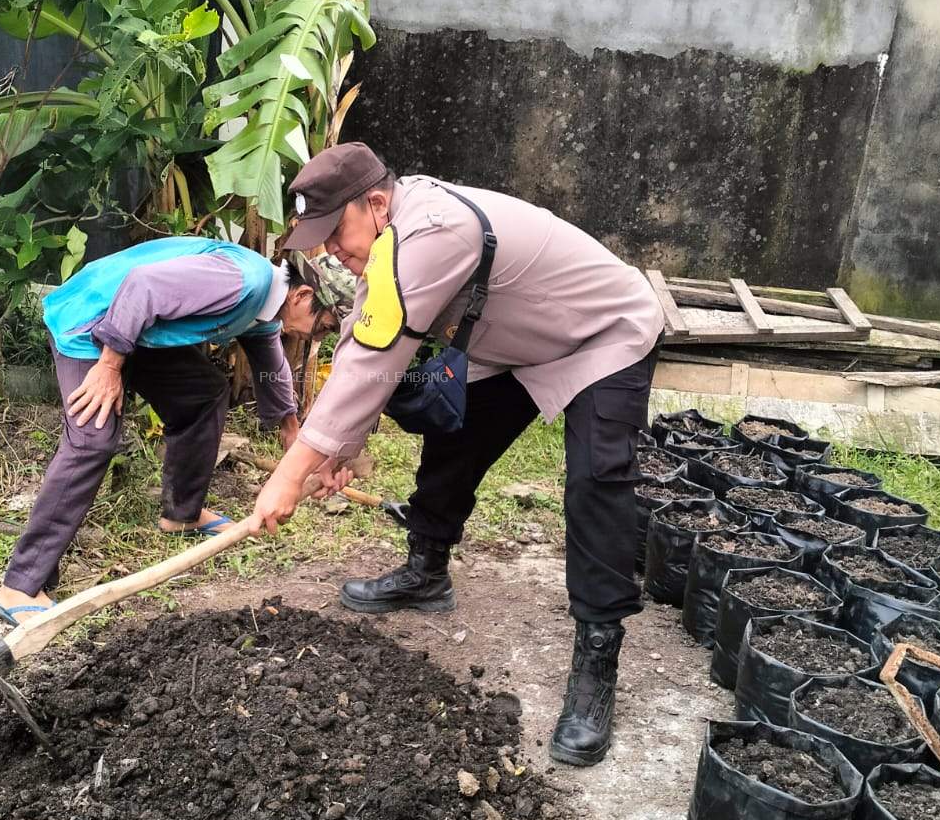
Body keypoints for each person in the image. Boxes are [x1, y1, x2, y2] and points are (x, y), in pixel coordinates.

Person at [251, 143, 664, 769]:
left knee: (596, 480)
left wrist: (288, 475)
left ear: (376, 203)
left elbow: (374, 359)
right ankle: (426, 569)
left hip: (599, 333)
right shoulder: (389, 235)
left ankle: (597, 658)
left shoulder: (434, 232)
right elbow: (364, 331)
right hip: (517, 345)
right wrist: (339, 451)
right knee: (454, 435)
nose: (328, 250)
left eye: (334, 231)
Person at [0, 238, 347, 625]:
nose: (317, 338)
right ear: (303, 294)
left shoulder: (266, 307)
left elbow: (267, 355)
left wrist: (291, 427)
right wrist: (109, 369)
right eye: (323, 326)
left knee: (204, 394)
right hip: (91, 323)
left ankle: (182, 514)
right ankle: (20, 586)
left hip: (138, 332)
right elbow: (143, 286)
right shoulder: (241, 281)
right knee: (93, 439)